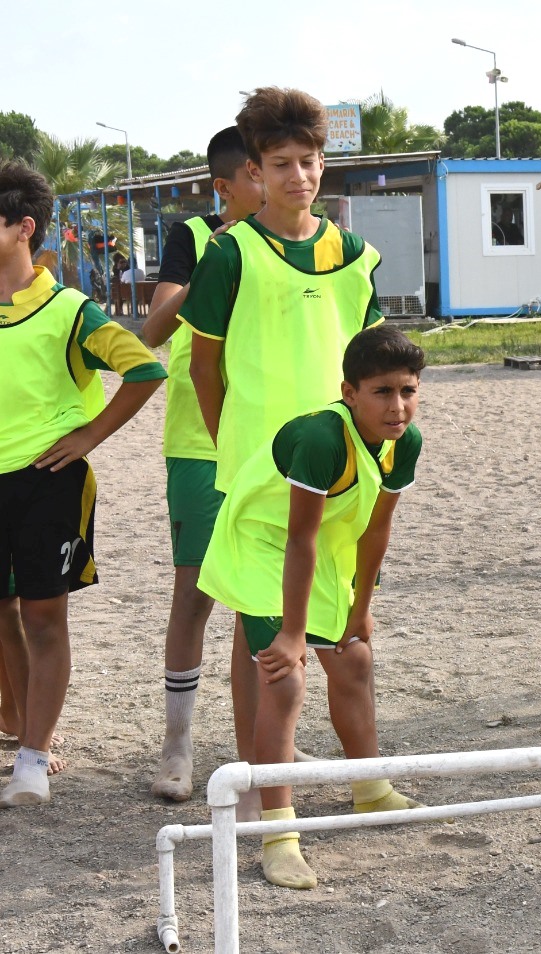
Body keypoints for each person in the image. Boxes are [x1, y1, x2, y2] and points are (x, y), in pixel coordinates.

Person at [183, 87, 385, 813]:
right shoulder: (231, 253)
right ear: (255, 171)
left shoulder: (357, 255)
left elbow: (372, 361)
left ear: (323, 167)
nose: (297, 176)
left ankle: (362, 782)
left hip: (339, 463)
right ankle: (264, 787)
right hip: (258, 470)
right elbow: (205, 365)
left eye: (308, 162)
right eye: (280, 164)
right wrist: (229, 446)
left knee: (347, 628)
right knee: (266, 637)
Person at [198, 325, 425, 888]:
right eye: (382, 392)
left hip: (318, 548)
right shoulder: (321, 438)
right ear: (349, 392)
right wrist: (294, 636)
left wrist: (360, 606)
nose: (397, 406)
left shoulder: (405, 441)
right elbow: (296, 536)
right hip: (260, 542)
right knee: (286, 679)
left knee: (354, 658)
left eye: (408, 390)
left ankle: (369, 788)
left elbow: (376, 530)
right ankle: (278, 835)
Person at [0, 159, 166, 807]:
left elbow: (144, 371)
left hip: (50, 484)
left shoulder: (70, 309)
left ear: (22, 228)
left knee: (43, 615)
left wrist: (90, 435)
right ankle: (18, 729)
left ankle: (35, 760)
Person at [141, 126, 264, 802]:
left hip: (269, 443)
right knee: (195, 595)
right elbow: (153, 331)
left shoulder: (300, 243)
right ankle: (178, 742)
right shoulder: (194, 237)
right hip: (200, 443)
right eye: (261, 171)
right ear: (227, 185)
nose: (280, 181)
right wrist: (215, 260)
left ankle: (259, 748)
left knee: (262, 604)